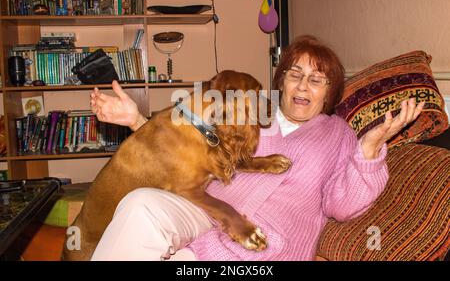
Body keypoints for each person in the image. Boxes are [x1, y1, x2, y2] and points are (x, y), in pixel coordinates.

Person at [89, 35, 424, 261]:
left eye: (316, 79)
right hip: (206, 214)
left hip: (267, 247)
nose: (303, 85)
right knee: (140, 205)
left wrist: (367, 152)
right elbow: (182, 150)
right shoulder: (247, 108)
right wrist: (136, 121)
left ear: (329, 91)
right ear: (281, 80)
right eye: (295, 74)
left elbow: (342, 206)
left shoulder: (338, 135)